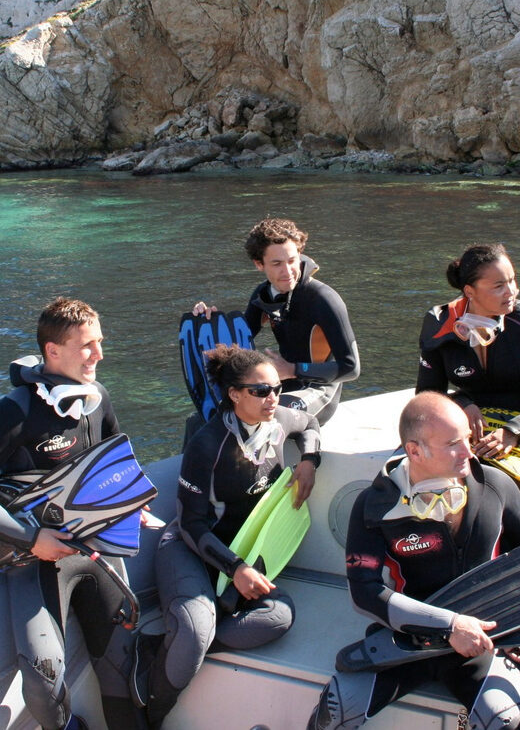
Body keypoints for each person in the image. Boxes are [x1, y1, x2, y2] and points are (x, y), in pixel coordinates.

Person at [133, 345, 321, 729]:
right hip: (192, 550)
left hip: (244, 552)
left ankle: (172, 645)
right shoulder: (208, 444)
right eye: (260, 391)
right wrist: (236, 569)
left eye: (276, 388)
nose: (272, 398)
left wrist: (309, 461)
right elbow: (190, 523)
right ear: (234, 394)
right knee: (196, 632)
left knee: (278, 618)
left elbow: (311, 425)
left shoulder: (278, 419)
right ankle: (150, 713)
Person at [308, 391, 520, 730]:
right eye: (453, 443)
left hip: (482, 641)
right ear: (414, 450)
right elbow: (365, 593)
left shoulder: (495, 486)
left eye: (467, 437)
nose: (469, 451)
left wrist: (516, 631)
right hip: (409, 640)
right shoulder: (374, 508)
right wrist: (450, 625)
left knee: (506, 719)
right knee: (337, 708)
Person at [0, 297, 144, 730]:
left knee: (124, 658)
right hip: (33, 559)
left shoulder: (97, 397)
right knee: (44, 677)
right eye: (87, 346)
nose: (99, 354)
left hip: (95, 550)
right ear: (53, 351)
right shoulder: (15, 412)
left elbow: (117, 459)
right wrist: (32, 541)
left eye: (99, 342)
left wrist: (134, 501)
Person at [193, 217, 360, 425]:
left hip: (319, 390)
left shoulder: (323, 300)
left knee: (264, 415)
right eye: (277, 263)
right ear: (259, 264)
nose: (287, 271)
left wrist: (292, 370)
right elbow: (238, 342)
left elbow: (351, 368)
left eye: (292, 260)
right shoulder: (264, 296)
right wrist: (211, 320)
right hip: (280, 385)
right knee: (203, 419)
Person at [416, 242, 520, 460]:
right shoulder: (438, 323)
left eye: (512, 281)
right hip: (474, 429)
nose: (511, 292)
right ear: (469, 291)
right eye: (499, 286)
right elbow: (427, 395)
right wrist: (461, 403)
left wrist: (513, 432)